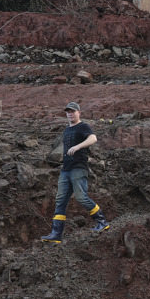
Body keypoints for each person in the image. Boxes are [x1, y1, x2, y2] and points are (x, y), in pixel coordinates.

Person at [41, 102, 109, 243]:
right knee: (60, 200)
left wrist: (77, 147)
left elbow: (93, 138)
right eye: (68, 112)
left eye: (73, 111)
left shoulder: (83, 126)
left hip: (79, 168)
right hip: (65, 170)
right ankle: (56, 234)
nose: (70, 114)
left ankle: (102, 222)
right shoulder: (67, 130)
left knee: (80, 197)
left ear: (79, 113)